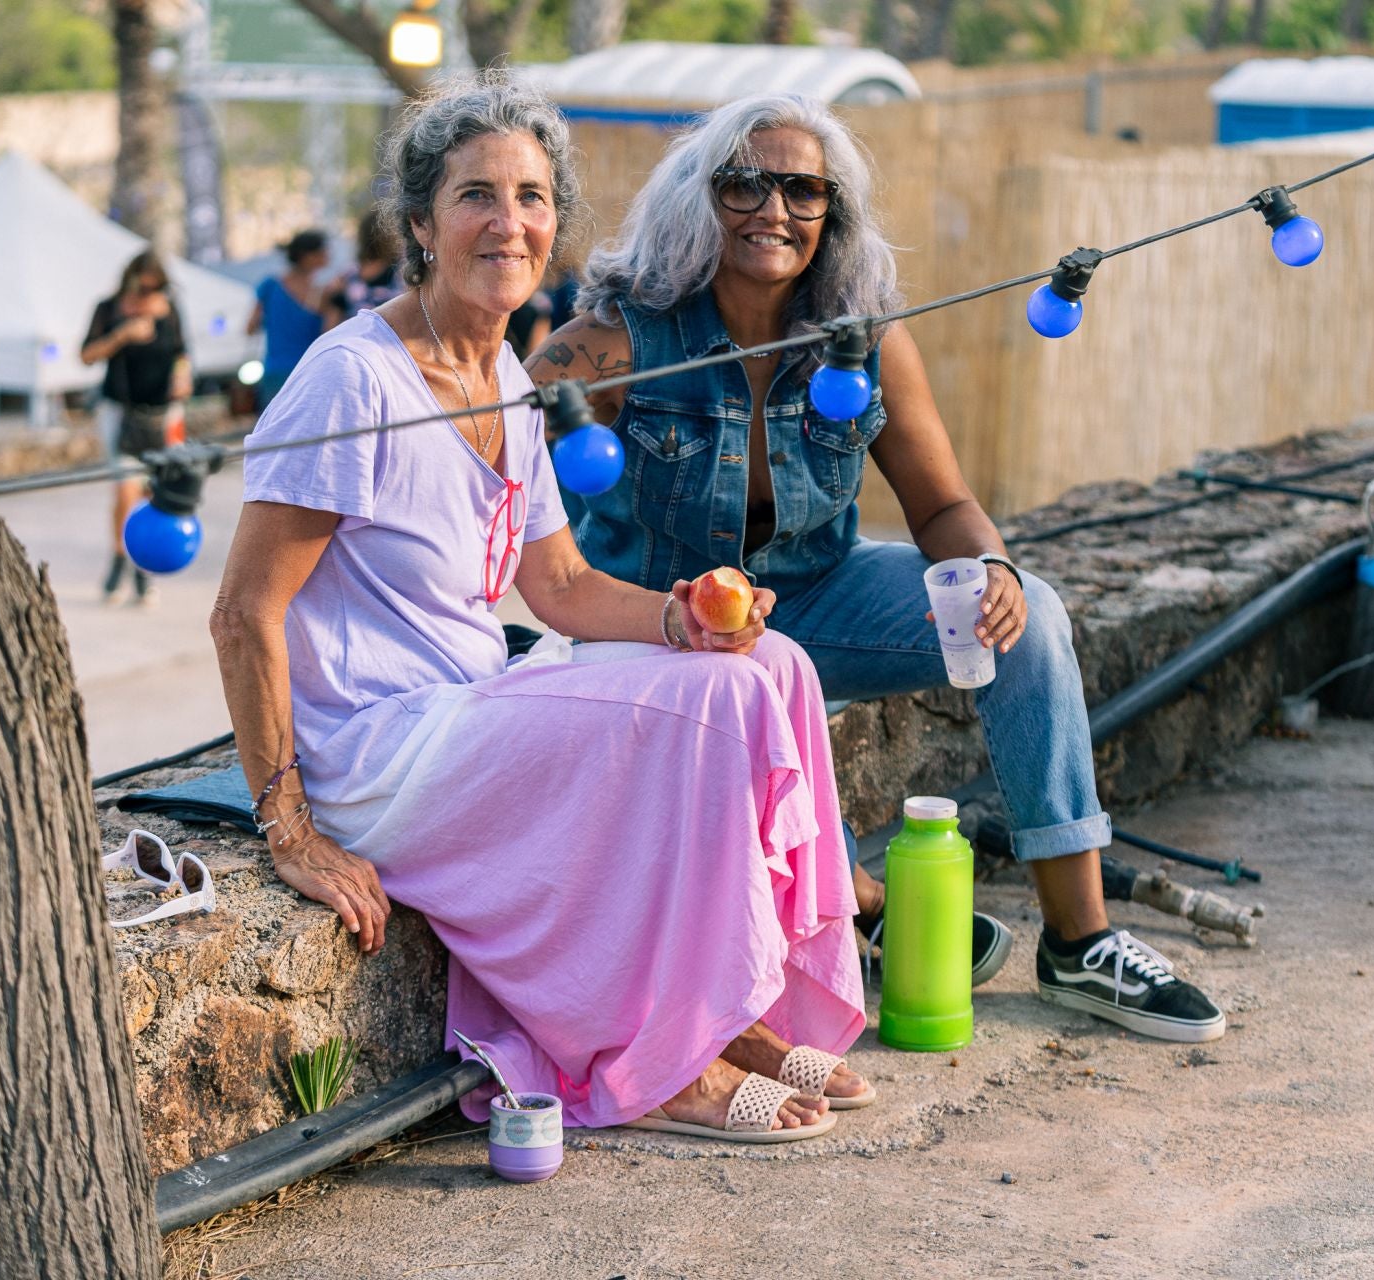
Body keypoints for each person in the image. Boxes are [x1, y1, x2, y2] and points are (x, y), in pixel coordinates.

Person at [210, 76, 869, 1142]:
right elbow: (242, 613)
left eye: (530, 196)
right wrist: (286, 824)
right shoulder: (354, 380)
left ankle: (727, 1007)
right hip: (380, 750)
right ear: (420, 224)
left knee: (768, 664)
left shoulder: (508, 376)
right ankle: (661, 1062)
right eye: (476, 195)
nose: (507, 221)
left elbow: (556, 584)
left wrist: (686, 617)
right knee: (688, 721)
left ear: (555, 224)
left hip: (478, 704)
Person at [527, 94, 1225, 1043]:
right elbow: (512, 499)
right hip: (665, 630)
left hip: (818, 594)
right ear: (701, 198)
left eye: (804, 189)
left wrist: (995, 570)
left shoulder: (865, 342)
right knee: (744, 690)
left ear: (832, 212)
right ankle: (866, 906)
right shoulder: (617, 343)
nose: (775, 207)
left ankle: (1079, 941)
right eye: (746, 183)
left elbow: (941, 507)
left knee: (1032, 621)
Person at [82, 250, 190, 607]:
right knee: (125, 490)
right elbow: (85, 356)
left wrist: (182, 377)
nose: (147, 297)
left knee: (152, 491)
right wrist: (122, 336)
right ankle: (118, 555)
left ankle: (143, 564)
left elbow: (181, 353)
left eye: (153, 289)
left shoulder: (169, 310)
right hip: (121, 412)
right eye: (141, 289)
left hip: (163, 412)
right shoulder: (109, 308)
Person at [249, 228, 330, 407]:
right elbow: (328, 332)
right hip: (310, 371)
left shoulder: (270, 286)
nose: (328, 255)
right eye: (323, 252)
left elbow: (250, 328)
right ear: (308, 256)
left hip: (274, 370)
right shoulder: (323, 293)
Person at [322, 210, 404, 330]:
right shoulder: (402, 272)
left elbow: (330, 323)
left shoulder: (348, 274)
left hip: (361, 341)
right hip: (388, 341)